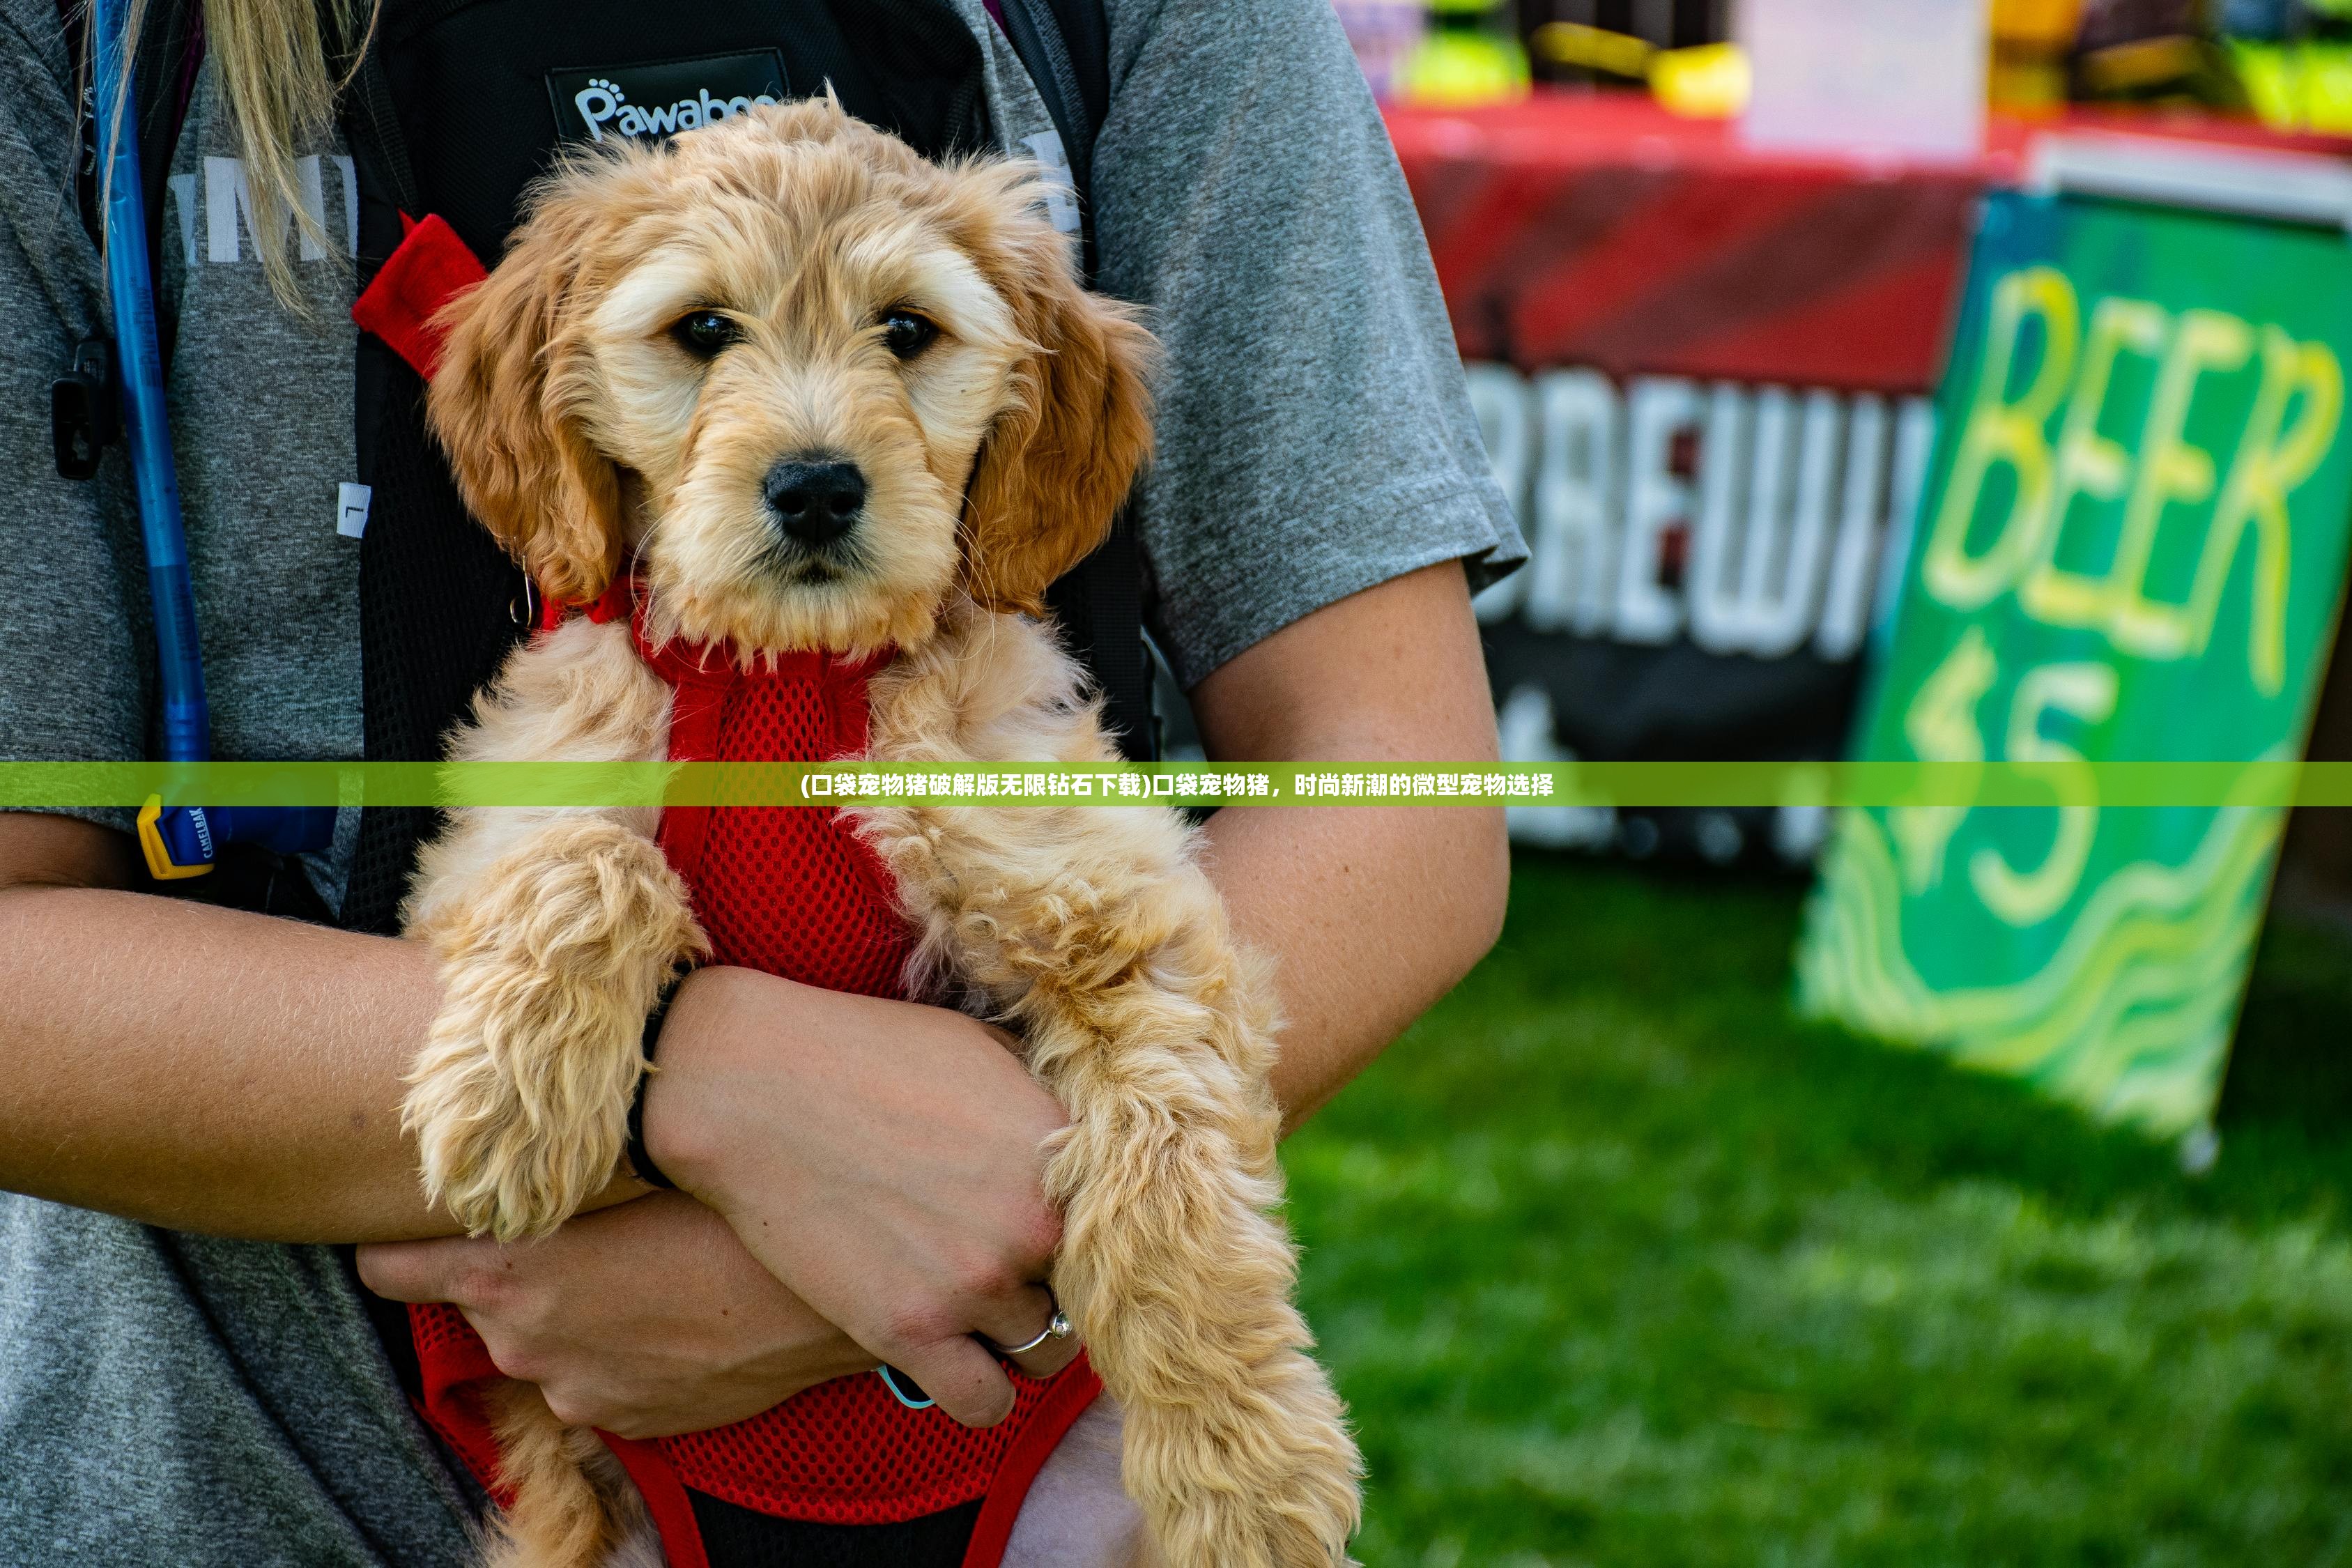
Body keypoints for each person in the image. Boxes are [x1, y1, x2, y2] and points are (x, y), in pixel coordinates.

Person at [0, 0, 1521, 1562]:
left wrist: (959, 1240)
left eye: (908, 338)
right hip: (235, 1488)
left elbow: (1399, 790)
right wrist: (695, 1090)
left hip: (1056, 1461)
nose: (811, 441)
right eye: (700, 336)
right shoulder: (79, 45)